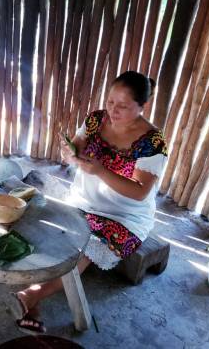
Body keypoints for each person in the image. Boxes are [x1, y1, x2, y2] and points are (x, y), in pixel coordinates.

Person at [11, 71, 168, 333]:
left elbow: (140, 192)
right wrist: (70, 151)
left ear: (143, 106)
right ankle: (35, 299)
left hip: (124, 216)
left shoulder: (152, 142)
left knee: (88, 245)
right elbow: (78, 144)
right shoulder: (96, 120)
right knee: (53, 234)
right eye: (110, 102)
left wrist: (100, 171)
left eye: (123, 106)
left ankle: (32, 295)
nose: (112, 111)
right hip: (83, 201)